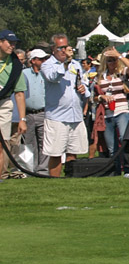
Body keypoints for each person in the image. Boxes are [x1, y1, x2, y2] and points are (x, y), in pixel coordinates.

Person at [40, 33, 88, 177]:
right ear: (53, 49)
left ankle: (71, 179)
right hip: (57, 116)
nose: (64, 50)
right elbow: (53, 77)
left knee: (73, 151)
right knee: (55, 153)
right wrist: (65, 63)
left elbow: (82, 82)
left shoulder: (76, 64)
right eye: (60, 47)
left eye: (66, 46)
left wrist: (83, 89)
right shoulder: (47, 65)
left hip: (75, 114)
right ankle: (54, 182)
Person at [95, 47, 129, 174]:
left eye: (114, 60)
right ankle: (115, 170)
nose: (112, 63)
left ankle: (128, 168)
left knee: (124, 138)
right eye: (109, 60)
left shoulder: (122, 72)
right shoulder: (100, 77)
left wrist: (119, 55)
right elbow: (93, 97)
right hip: (107, 113)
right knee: (111, 145)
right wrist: (102, 96)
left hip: (122, 110)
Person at [0, 30, 28, 178]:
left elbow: (19, 93)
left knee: (1, 144)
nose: (12, 46)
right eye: (9, 43)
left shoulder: (15, 64)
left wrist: (22, 120)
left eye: (14, 43)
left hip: (3, 103)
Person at [20, 48, 48, 175]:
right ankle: (29, 168)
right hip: (29, 113)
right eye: (41, 59)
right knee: (29, 142)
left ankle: (42, 169)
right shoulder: (24, 73)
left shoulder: (46, 73)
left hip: (43, 112)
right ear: (33, 61)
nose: (44, 61)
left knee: (44, 143)